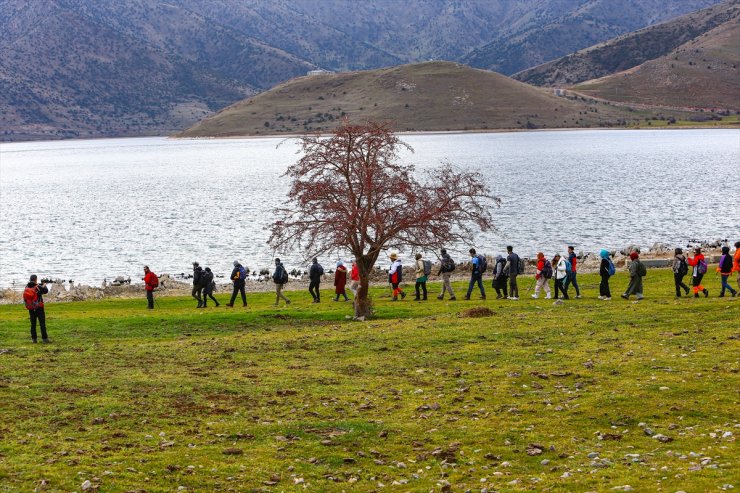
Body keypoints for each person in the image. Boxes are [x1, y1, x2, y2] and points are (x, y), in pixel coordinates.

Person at [23, 274, 49, 343]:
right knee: (42, 323)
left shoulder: (26, 287)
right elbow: (46, 291)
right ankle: (45, 339)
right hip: (39, 307)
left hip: (31, 307)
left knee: (33, 324)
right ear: (36, 279)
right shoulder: (38, 287)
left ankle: (34, 339)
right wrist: (44, 285)